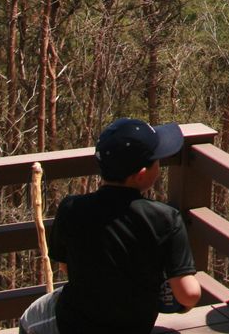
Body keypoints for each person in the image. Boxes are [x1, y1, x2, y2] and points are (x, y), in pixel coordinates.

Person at [18, 118, 201, 334]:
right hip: (133, 327)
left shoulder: (71, 208)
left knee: (29, 319)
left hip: (75, 324)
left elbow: (66, 267)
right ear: (142, 175)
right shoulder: (166, 219)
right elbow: (188, 293)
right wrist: (182, 304)